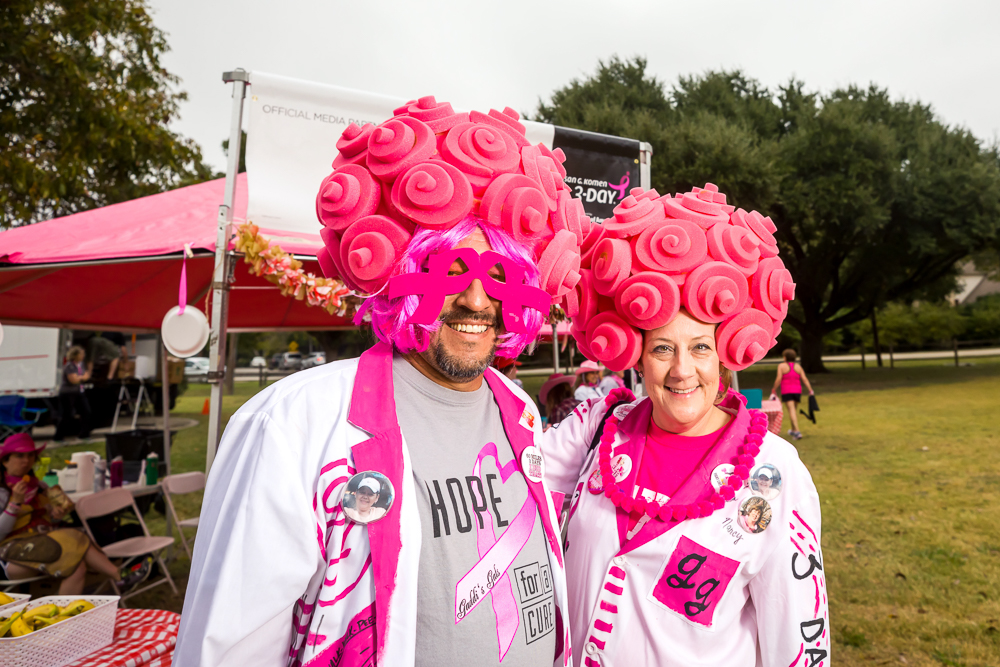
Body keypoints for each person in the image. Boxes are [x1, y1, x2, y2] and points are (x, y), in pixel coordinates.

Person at [175, 99, 585, 667]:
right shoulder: (294, 424)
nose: (475, 301)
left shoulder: (516, 407)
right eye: (447, 272)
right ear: (398, 272)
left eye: (499, 275)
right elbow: (227, 649)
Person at [541, 184, 828, 665]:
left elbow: (797, 635)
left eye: (699, 348)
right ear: (637, 356)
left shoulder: (775, 472)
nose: (681, 370)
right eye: (662, 348)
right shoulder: (598, 427)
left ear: (725, 354)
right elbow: (504, 473)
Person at [0, 433, 151, 594]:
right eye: (19, 456)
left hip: (45, 545)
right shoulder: (2, 492)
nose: (26, 461)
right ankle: (119, 576)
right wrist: (14, 504)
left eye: (31, 455)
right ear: (5, 461)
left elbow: (47, 520)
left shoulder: (40, 486)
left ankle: (64, 610)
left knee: (77, 567)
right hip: (10, 556)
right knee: (74, 536)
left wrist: (55, 515)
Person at [770, 348, 814, 440]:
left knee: (791, 411)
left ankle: (797, 432)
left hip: (787, 391)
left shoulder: (782, 366)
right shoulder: (798, 367)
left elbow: (778, 378)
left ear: (785, 357)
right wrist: (810, 390)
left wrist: (774, 389)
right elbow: (804, 379)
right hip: (797, 391)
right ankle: (793, 430)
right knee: (793, 410)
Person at [54, 345, 92, 442]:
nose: (83, 356)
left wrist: (80, 377)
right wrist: (82, 377)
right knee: (67, 415)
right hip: (68, 393)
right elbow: (73, 380)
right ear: (75, 355)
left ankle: (84, 435)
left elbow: (87, 375)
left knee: (86, 412)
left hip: (79, 392)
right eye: (81, 354)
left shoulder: (81, 365)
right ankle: (58, 437)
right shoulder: (69, 366)